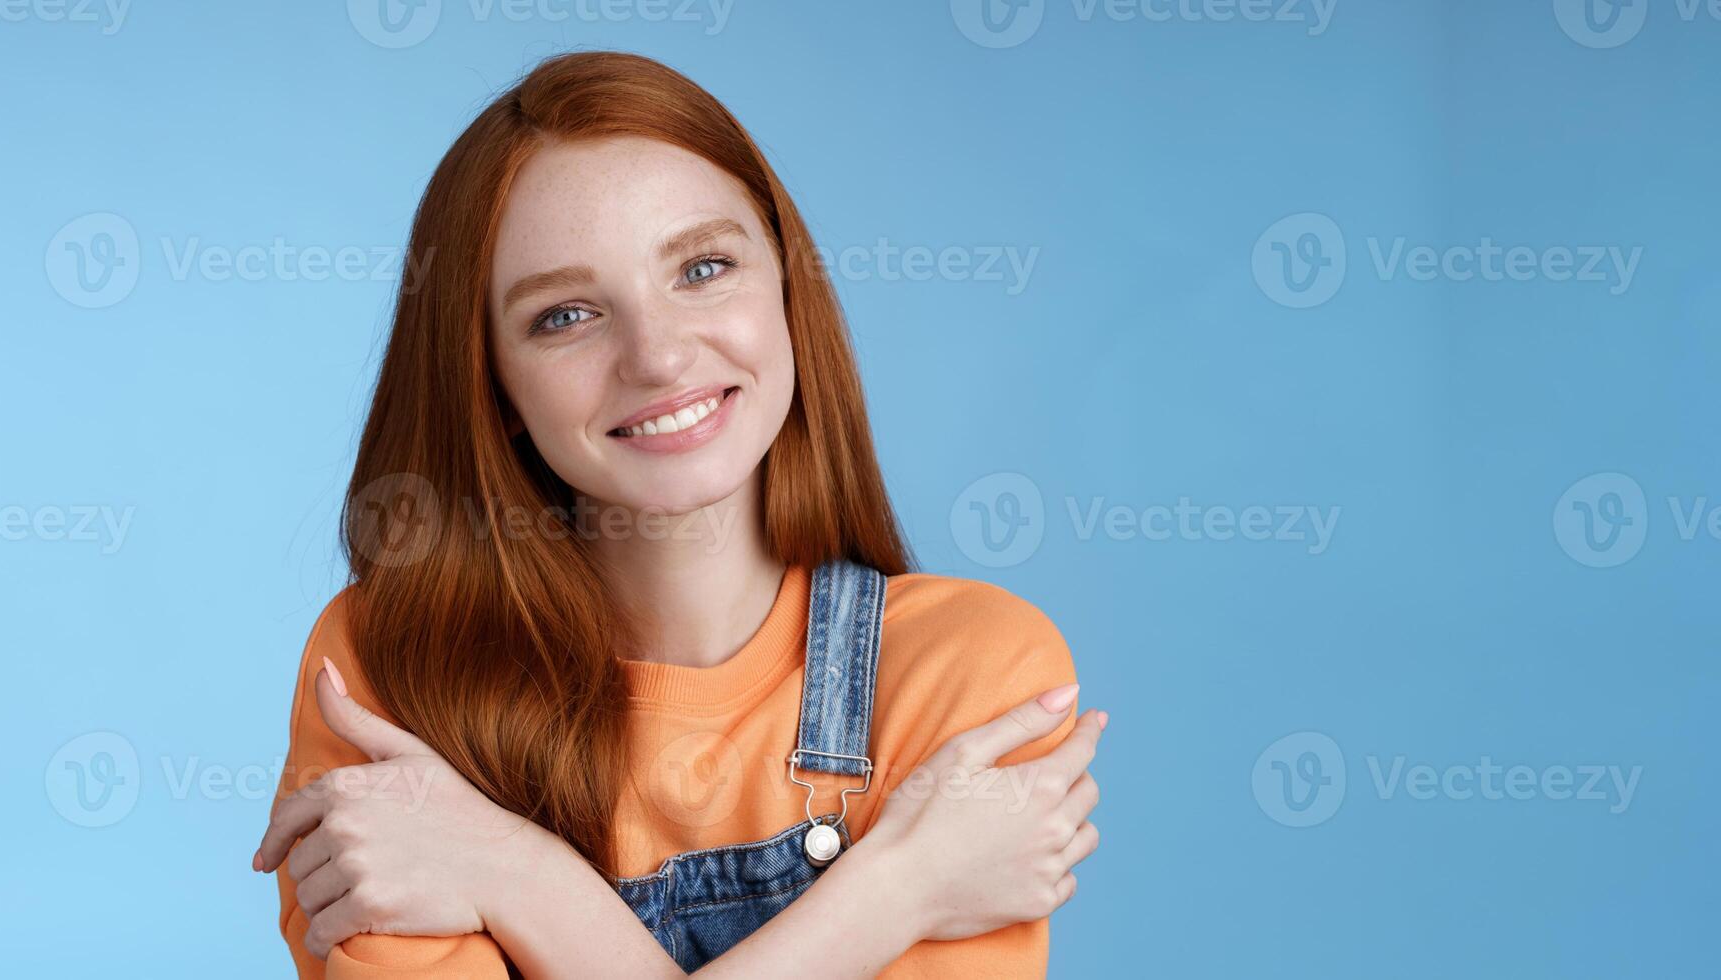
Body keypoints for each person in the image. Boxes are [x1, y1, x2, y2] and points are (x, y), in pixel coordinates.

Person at [253, 51, 1103, 977]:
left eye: (703, 267)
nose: (657, 358)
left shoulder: (966, 673)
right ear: (490, 383)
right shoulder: (391, 669)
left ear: (787, 285)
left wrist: (513, 879)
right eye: (565, 316)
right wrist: (903, 888)